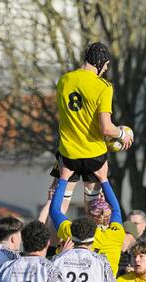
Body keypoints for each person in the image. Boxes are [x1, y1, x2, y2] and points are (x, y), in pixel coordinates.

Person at [54, 41, 133, 195]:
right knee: (94, 204)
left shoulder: (63, 80)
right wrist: (123, 135)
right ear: (100, 61)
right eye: (106, 65)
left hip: (68, 152)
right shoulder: (103, 86)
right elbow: (107, 128)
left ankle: (50, 220)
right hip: (93, 153)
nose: (106, 69)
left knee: (60, 198)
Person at [50, 161, 125, 277]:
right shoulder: (117, 233)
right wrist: (104, 179)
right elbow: (116, 210)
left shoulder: (76, 232)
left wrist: (64, 177)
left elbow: (55, 211)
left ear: (88, 215)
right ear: (109, 217)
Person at [52, 217, 124, 282]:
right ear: (94, 236)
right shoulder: (101, 261)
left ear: (71, 235)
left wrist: (62, 254)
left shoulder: (57, 259)